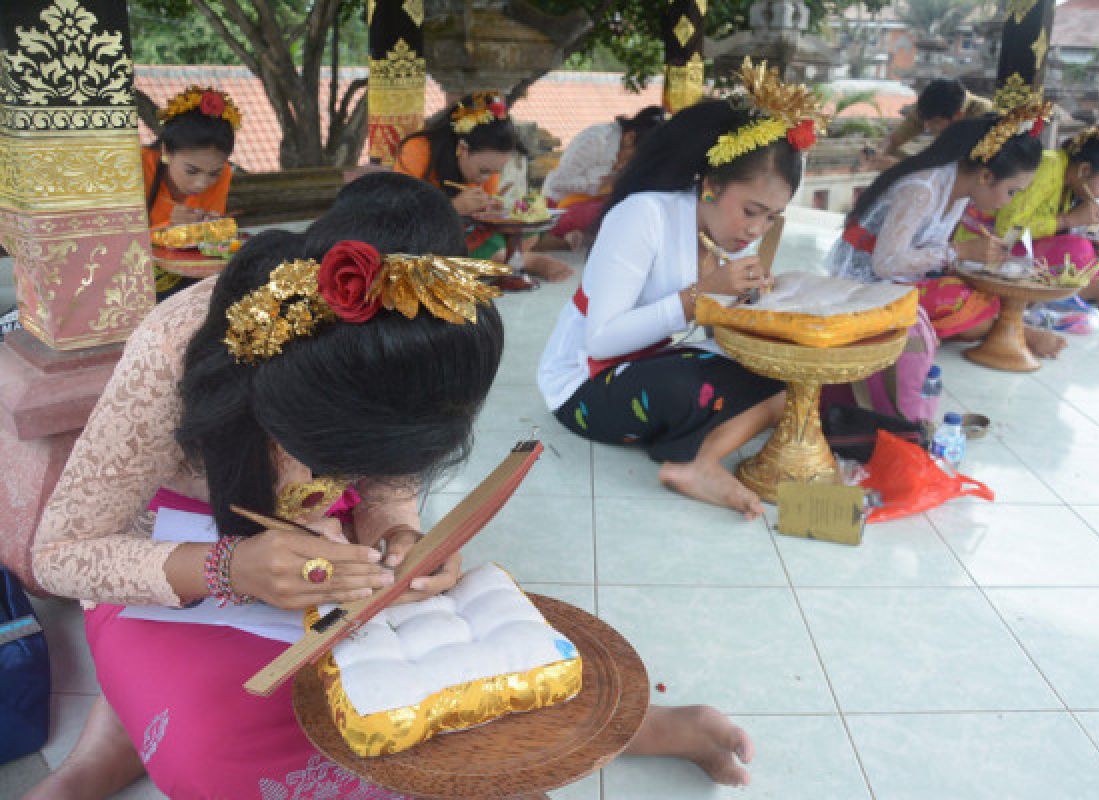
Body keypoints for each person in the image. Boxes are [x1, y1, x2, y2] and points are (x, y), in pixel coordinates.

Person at [27, 177, 753, 799]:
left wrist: (399, 534)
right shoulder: (176, 346)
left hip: (323, 556)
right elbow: (61, 551)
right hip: (176, 550)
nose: (338, 474)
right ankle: (115, 738)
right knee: (222, 758)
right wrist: (229, 568)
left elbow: (388, 485)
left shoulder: (428, 343)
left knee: (461, 684)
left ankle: (623, 726)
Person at [538, 61, 826, 519]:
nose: (756, 230)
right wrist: (701, 296)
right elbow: (602, 339)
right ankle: (695, 461)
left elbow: (703, 335)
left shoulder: (719, 236)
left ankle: (696, 457)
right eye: (751, 210)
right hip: (584, 385)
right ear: (711, 186)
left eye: (771, 218)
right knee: (689, 388)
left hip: (647, 363)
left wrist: (752, 306)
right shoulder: (642, 216)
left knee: (789, 378)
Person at [828, 84, 1066, 358]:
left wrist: (977, 259)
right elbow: (885, 264)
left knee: (982, 292)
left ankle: (1007, 330)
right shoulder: (923, 189)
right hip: (864, 283)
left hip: (901, 277)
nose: (1009, 202)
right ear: (986, 177)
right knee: (960, 299)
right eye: (1011, 192)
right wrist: (961, 252)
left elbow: (929, 250)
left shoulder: (960, 188)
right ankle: (1022, 333)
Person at [396, 91, 572, 282]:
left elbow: (485, 216)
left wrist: (491, 209)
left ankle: (506, 257)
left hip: (469, 233)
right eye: (484, 170)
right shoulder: (416, 151)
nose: (487, 178)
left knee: (530, 225)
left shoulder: (486, 163)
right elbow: (400, 217)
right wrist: (453, 207)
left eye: (495, 171)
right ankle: (520, 260)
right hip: (421, 238)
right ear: (463, 149)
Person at [989, 110, 1099, 305]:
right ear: (1084, 170)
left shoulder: (1071, 185)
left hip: (1026, 253)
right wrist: (1068, 220)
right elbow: (1007, 229)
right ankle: (1096, 289)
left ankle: (1097, 287)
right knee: (1077, 248)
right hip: (994, 248)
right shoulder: (1050, 165)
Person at [142, 85, 240, 300]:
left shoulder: (223, 174)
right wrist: (168, 228)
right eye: (191, 171)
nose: (201, 183)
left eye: (213, 173)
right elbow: (117, 240)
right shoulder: (137, 168)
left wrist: (212, 229)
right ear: (166, 151)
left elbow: (205, 250)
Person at [540, 106, 667, 250]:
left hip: (590, 208)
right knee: (611, 210)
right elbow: (557, 183)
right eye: (634, 156)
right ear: (629, 137)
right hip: (558, 208)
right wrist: (598, 186)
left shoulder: (626, 150)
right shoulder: (596, 140)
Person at [862, 78, 993, 171]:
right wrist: (878, 154)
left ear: (957, 116)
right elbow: (894, 140)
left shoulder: (983, 115)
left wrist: (897, 165)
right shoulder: (929, 109)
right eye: (923, 121)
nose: (927, 127)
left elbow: (955, 168)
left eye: (935, 123)